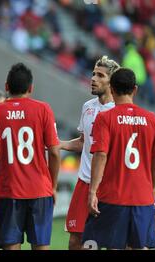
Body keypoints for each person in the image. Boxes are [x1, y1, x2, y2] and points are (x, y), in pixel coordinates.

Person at [83, 68, 155, 250]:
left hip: (113, 197)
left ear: (111, 89)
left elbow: (101, 154)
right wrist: (151, 187)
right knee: (139, 246)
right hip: (142, 199)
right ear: (135, 90)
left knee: (103, 245)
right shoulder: (152, 119)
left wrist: (92, 191)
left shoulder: (105, 118)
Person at [0, 63, 61, 250]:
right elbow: (55, 152)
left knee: (10, 245)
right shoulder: (43, 109)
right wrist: (53, 186)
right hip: (40, 189)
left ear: (7, 86)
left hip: (8, 189)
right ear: (30, 88)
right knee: (40, 246)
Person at [60, 56, 120, 250]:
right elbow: (83, 143)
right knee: (76, 240)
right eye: (93, 73)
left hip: (109, 185)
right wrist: (58, 144)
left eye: (100, 75)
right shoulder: (87, 107)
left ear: (112, 82)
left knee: (111, 241)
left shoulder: (119, 111)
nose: (93, 78)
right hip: (84, 181)